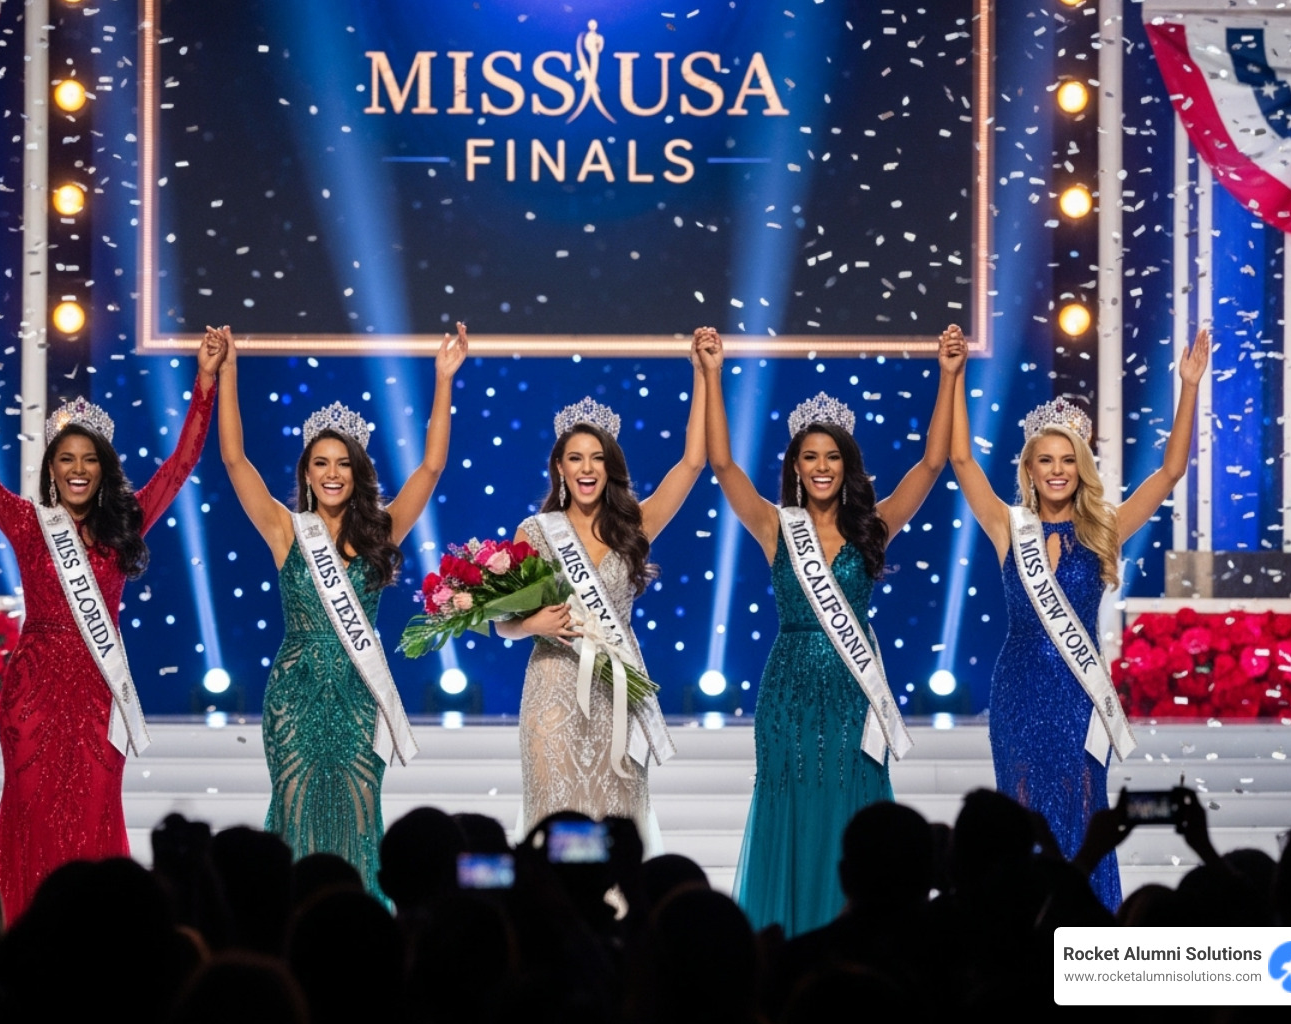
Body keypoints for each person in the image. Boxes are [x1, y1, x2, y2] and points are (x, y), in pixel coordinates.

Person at [0, 326, 222, 921]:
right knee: (31, 813)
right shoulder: (26, 523)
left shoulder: (125, 523)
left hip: (97, 691)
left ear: (103, 469)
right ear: (51, 469)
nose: (78, 469)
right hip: (33, 691)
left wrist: (204, 382)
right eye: (66, 459)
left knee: (92, 814)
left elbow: (180, 464)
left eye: (89, 460)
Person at [702, 325, 963, 937]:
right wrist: (710, 375)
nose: (821, 467)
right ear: (795, 466)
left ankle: (859, 937)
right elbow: (722, 464)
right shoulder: (775, 526)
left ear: (848, 466)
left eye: (833, 456)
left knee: (852, 806)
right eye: (810, 457)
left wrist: (950, 377)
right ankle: (792, 940)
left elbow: (932, 464)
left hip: (854, 693)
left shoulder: (874, 524)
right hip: (788, 690)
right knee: (790, 805)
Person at [947, 321, 1209, 910]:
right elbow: (961, 459)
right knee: (1019, 813)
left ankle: (1086, 927)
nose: (1058, 469)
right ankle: (1022, 927)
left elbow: (1169, 472)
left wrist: (1189, 386)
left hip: (1079, 693)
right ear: (1030, 469)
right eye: (1046, 460)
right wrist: (955, 376)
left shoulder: (1103, 530)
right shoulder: (1007, 527)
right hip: (1017, 689)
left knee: (1083, 806)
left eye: (1069, 459)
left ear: (1082, 465)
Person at [213, 324, 466, 898]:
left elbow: (430, 468)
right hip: (295, 693)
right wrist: (228, 372)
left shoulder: (382, 530)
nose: (332, 474)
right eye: (321, 463)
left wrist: (443, 380)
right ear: (306, 472)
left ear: (358, 473)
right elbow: (233, 460)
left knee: (358, 814)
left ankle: (362, 923)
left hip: (357, 692)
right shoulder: (285, 531)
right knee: (294, 809)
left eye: (343, 464)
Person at [495, 339, 708, 841]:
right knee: (556, 815)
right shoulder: (535, 532)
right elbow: (502, 624)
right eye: (575, 458)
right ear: (560, 468)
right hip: (552, 688)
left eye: (597, 458)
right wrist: (532, 623)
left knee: (616, 818)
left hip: (617, 686)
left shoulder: (635, 525)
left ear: (610, 466)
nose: (586, 468)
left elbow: (692, 464)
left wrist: (703, 373)